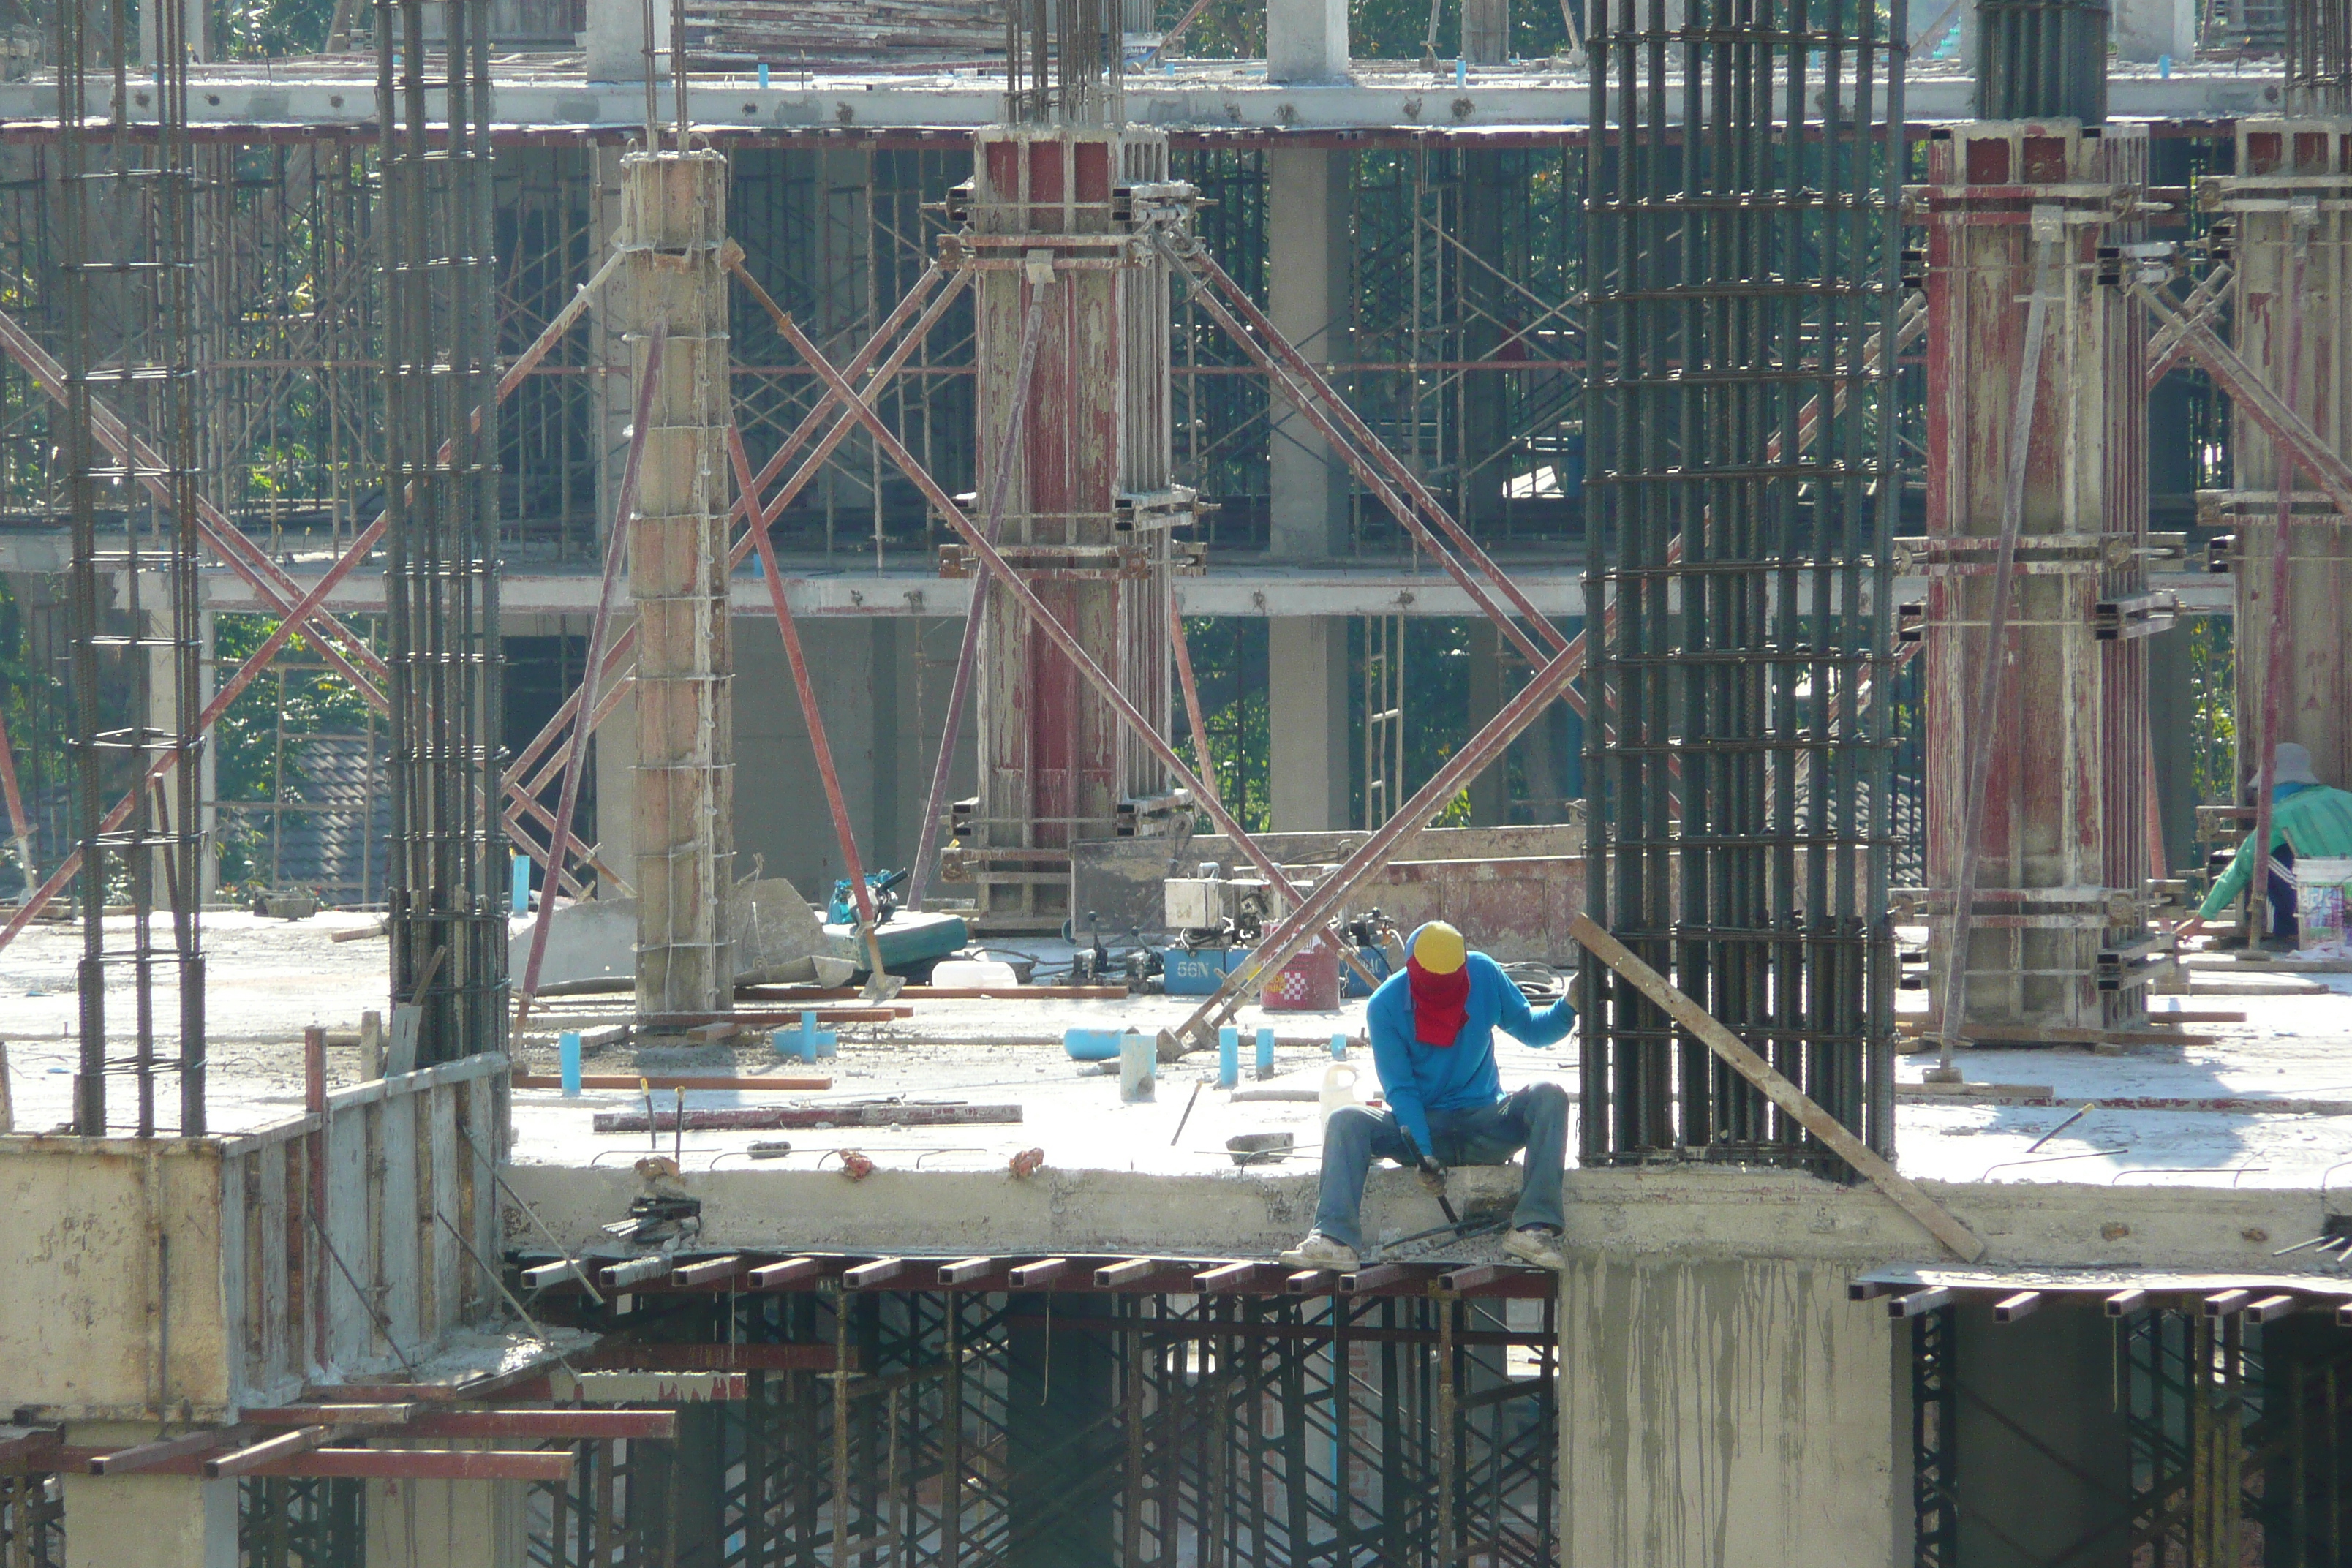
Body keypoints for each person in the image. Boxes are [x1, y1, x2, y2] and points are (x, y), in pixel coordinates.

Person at [1281, 921, 1576, 1274]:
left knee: (1550, 1096)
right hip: (1421, 1129)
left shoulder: (1483, 974)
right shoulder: (1385, 1006)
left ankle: (1533, 1229)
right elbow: (1401, 1091)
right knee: (1345, 1120)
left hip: (1486, 1124)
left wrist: (1569, 1005)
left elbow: (1531, 1029)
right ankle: (1334, 1239)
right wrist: (1425, 1155)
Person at [2177, 742, 2352, 952]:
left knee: (2263, 858)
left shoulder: (2280, 815)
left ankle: (2284, 932)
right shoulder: (2346, 798)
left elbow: (2241, 866)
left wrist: (2200, 919)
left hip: (2327, 905)